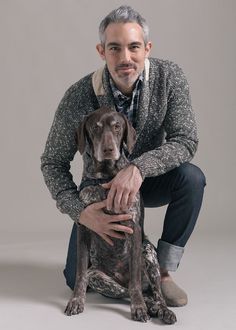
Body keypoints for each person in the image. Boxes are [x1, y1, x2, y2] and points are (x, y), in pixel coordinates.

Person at [41, 5, 206, 307]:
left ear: (147, 48)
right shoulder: (79, 95)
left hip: (149, 181)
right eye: (115, 48)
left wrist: (139, 168)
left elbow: (186, 141)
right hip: (101, 192)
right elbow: (52, 162)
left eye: (134, 47)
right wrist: (79, 211)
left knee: (192, 179)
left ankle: (163, 273)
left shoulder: (170, 78)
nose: (125, 58)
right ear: (101, 51)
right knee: (73, 279)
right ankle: (130, 253)